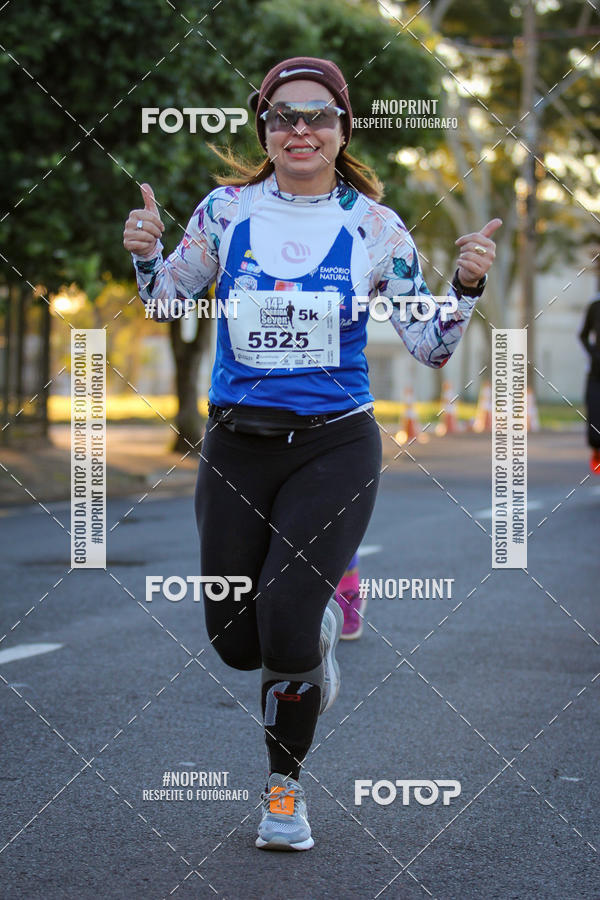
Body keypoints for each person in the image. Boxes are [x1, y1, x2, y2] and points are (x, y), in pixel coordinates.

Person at [123, 56, 501, 852]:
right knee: (236, 638)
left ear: (342, 131)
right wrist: (146, 252)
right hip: (237, 444)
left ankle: (283, 796)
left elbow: (430, 346)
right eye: (285, 115)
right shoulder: (226, 212)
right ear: (264, 127)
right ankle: (314, 626)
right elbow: (165, 299)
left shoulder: (375, 227)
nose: (302, 128)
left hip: (336, 444)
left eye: (319, 116)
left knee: (286, 622)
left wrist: (464, 289)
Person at [579, 291, 600, 473]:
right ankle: (596, 450)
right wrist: (594, 354)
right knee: (594, 431)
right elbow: (583, 335)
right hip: (596, 376)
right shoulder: (595, 305)